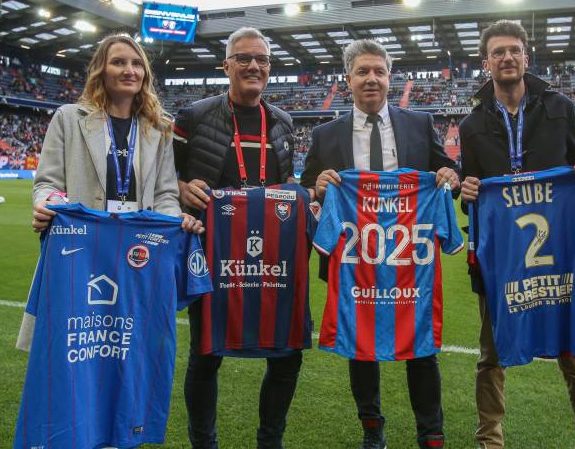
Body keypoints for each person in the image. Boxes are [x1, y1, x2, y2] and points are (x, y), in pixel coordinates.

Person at [458, 20, 575, 449]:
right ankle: (490, 441)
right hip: (501, 258)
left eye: (514, 50)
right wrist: (463, 187)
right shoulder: (471, 124)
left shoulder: (559, 106)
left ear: (526, 56)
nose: (507, 58)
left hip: (555, 256)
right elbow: (467, 185)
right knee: (490, 357)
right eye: (498, 52)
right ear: (485, 62)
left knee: (573, 355)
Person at [300, 39, 459, 449]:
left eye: (379, 71)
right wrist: (317, 188)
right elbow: (307, 188)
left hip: (409, 256)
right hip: (356, 257)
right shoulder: (324, 133)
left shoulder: (418, 123)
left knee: (421, 348)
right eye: (362, 71)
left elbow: (446, 167)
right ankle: (373, 428)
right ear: (347, 79)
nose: (372, 79)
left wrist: (447, 176)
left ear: (390, 78)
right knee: (361, 347)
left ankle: (431, 432)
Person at [173, 26, 299, 449]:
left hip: (271, 256)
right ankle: (204, 443)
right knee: (206, 354)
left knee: (286, 352)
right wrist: (178, 188)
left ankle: (270, 440)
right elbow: (160, 178)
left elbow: (286, 184)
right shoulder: (193, 117)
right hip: (211, 252)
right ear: (225, 65)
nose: (253, 66)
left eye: (261, 60)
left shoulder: (282, 122)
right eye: (243, 58)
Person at [31, 33, 199, 231]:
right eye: (118, 62)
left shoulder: (159, 127)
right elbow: (48, 184)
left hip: (141, 245)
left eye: (137, 64)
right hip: (83, 239)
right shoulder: (68, 118)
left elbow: (164, 194)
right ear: (100, 70)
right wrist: (49, 202)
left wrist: (175, 218)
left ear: (144, 73)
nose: (129, 70)